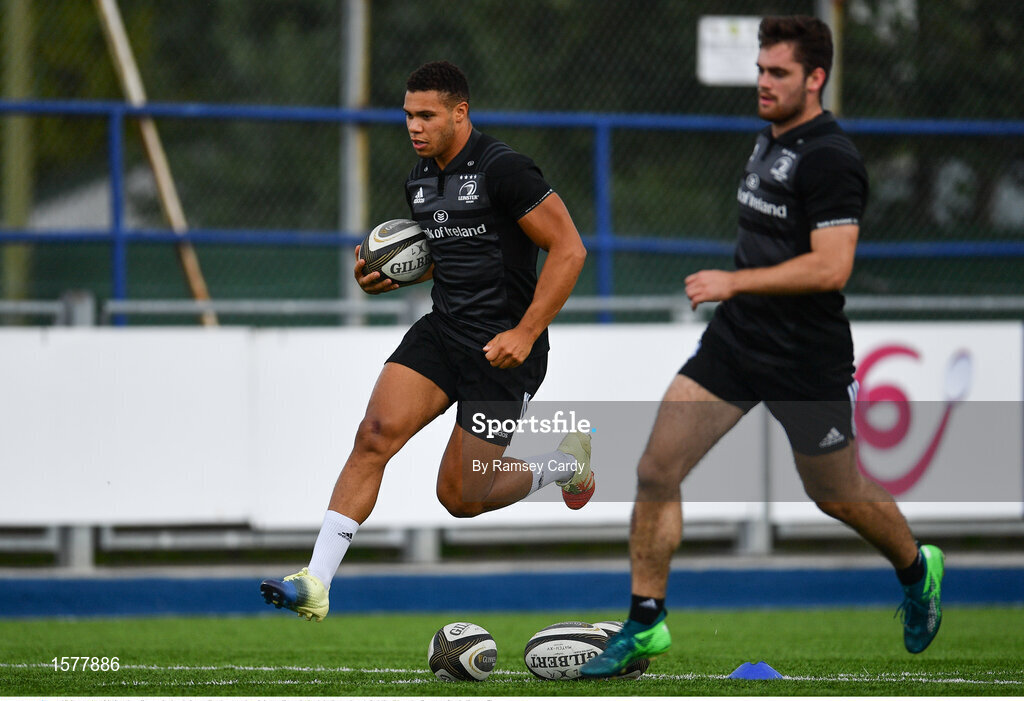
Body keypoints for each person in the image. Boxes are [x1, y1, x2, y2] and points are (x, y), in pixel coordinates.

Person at [581, 15, 943, 677]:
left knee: (835, 494)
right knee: (658, 468)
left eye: (778, 72)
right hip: (738, 341)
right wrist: (740, 294)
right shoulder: (769, 139)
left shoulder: (831, 157)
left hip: (805, 356)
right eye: (761, 69)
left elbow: (833, 267)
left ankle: (918, 567)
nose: (764, 82)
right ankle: (644, 620)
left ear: (816, 78)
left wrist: (735, 280)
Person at [259, 60, 592, 621]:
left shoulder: (504, 169)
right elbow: (459, 254)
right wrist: (399, 272)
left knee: (460, 496)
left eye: (427, 115)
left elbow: (570, 249)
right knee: (374, 435)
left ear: (460, 113)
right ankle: (316, 581)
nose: (414, 126)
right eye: (408, 115)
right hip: (443, 332)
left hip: (502, 349)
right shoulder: (420, 178)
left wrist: (526, 333)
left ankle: (564, 464)